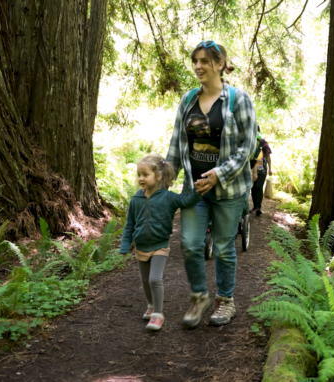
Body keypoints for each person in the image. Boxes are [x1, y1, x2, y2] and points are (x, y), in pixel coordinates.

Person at [166, 40, 257, 328]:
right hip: (195, 189)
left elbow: (248, 145)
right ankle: (199, 296)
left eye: (204, 60)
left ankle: (226, 301)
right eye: (195, 60)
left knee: (222, 247)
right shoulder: (188, 100)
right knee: (191, 244)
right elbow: (177, 143)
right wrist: (163, 179)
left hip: (228, 189)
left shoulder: (238, 100)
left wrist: (220, 173)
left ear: (220, 63)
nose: (197, 66)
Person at [120, 154, 201, 331]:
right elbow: (129, 225)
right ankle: (150, 305)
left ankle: (158, 314)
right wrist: (126, 244)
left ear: (158, 176)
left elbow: (186, 201)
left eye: (145, 174)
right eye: (139, 174)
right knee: (145, 281)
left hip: (160, 245)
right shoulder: (136, 200)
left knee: (155, 279)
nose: (140, 178)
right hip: (141, 247)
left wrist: (198, 190)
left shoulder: (168, 197)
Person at [249, 128, 272, 216]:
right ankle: (255, 206)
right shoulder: (249, 141)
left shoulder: (263, 143)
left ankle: (258, 207)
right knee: (253, 188)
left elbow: (268, 157)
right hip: (251, 169)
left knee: (259, 187)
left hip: (262, 170)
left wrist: (270, 169)